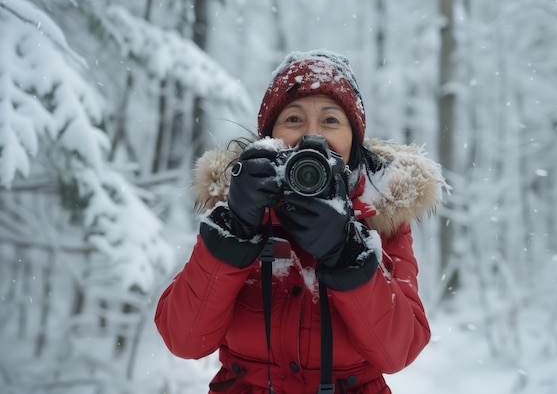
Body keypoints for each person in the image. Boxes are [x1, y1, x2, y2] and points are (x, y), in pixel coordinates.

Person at [154, 50, 448, 393]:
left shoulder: (382, 217)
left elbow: (398, 351)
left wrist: (346, 253)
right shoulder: (237, 207)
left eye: (331, 121)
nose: (313, 137)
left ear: (354, 140)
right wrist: (235, 229)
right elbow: (184, 339)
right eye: (293, 119)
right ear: (270, 137)